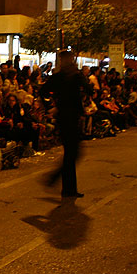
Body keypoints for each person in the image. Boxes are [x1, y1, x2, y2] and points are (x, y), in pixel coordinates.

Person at [41, 50, 87, 198]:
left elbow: (87, 90)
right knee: (73, 153)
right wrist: (51, 107)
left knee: (71, 154)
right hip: (66, 118)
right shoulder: (63, 77)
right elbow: (43, 91)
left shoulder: (69, 76)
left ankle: (69, 189)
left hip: (71, 117)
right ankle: (54, 179)